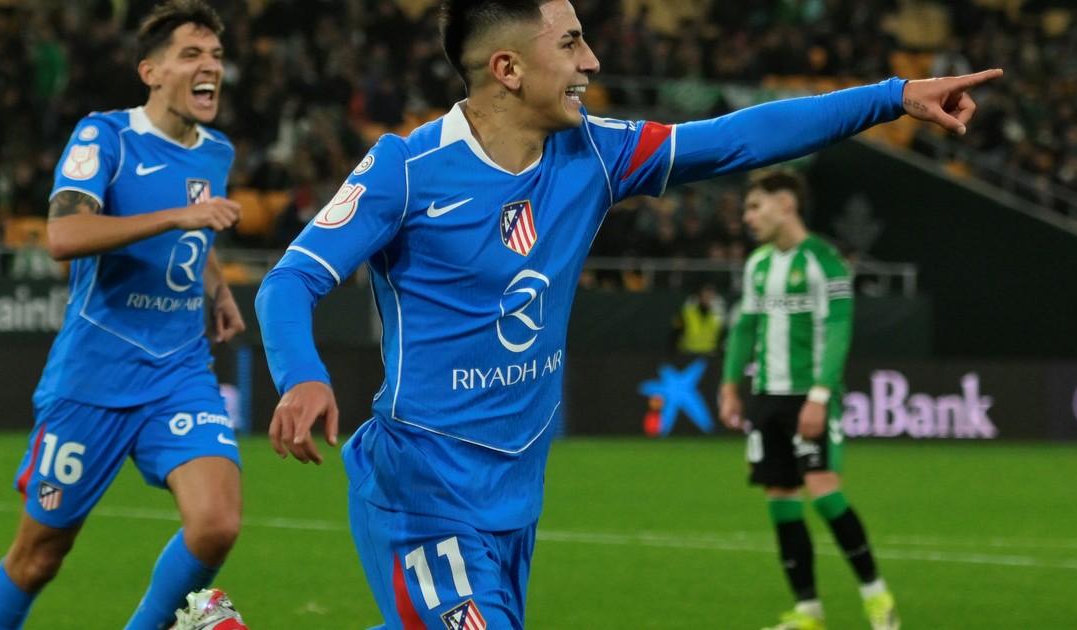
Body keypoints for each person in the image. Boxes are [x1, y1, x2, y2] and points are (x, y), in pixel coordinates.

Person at [255, 1, 1000, 627]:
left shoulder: (595, 154)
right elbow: (288, 282)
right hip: (421, 488)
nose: (593, 61)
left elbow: (737, 138)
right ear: (507, 69)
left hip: (515, 495)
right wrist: (301, 375)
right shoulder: (407, 170)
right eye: (570, 43)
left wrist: (894, 97)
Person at [0, 2, 245, 628]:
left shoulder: (217, 151)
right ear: (151, 72)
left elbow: (197, 227)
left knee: (216, 524)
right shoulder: (105, 137)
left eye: (215, 56)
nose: (209, 67)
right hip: (94, 376)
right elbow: (64, 236)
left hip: (178, 369)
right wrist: (177, 217)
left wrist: (217, 287)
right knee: (39, 557)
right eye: (191, 55)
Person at [719, 168, 895, 630]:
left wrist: (819, 395)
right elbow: (745, 327)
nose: (748, 217)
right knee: (780, 496)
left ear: (786, 204)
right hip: (767, 395)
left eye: (755, 206)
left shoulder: (825, 261)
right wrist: (730, 385)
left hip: (809, 396)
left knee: (823, 489)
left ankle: (877, 597)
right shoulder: (758, 264)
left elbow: (838, 330)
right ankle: (808, 610)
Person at [672, 283, 726, 355]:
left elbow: (721, 335)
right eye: (705, 293)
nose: (708, 297)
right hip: (688, 352)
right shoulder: (687, 310)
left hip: (710, 354)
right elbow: (675, 332)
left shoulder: (719, 314)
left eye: (711, 294)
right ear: (700, 295)